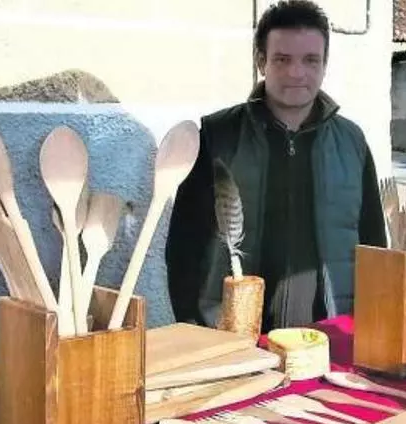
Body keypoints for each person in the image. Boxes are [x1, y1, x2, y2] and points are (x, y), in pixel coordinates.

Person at [165, 0, 387, 332]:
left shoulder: (351, 142)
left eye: (310, 60)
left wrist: (366, 325)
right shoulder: (217, 137)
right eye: (282, 59)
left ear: (325, 64)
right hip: (234, 334)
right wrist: (194, 326)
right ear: (261, 61)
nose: (296, 73)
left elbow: (374, 244)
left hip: (329, 332)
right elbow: (184, 245)